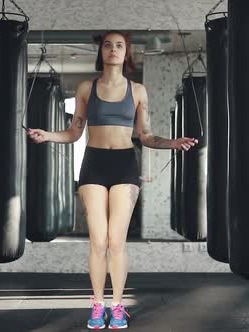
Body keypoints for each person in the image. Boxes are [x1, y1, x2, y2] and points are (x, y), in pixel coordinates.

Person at [27, 30, 198, 330]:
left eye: (119, 45)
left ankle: (117, 306)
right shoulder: (85, 88)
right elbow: (74, 133)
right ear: (102, 51)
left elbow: (144, 136)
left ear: (127, 52)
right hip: (93, 165)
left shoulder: (138, 92)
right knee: (98, 240)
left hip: (123, 166)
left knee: (116, 241)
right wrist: (48, 135)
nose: (113, 50)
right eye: (108, 45)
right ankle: (97, 304)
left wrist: (172, 143)